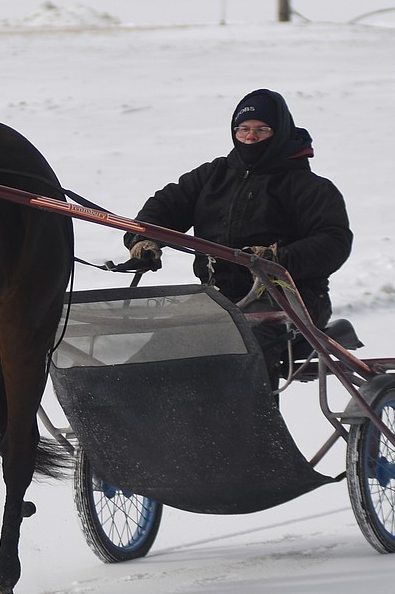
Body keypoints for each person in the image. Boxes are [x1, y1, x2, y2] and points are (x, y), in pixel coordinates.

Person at [125, 88, 352, 379]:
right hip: (218, 297)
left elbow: (334, 241)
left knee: (244, 354)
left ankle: (256, 424)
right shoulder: (213, 175)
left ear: (280, 131)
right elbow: (164, 207)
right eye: (242, 129)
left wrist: (277, 258)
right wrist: (144, 239)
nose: (250, 137)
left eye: (262, 129)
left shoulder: (309, 186)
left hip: (289, 300)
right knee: (152, 357)